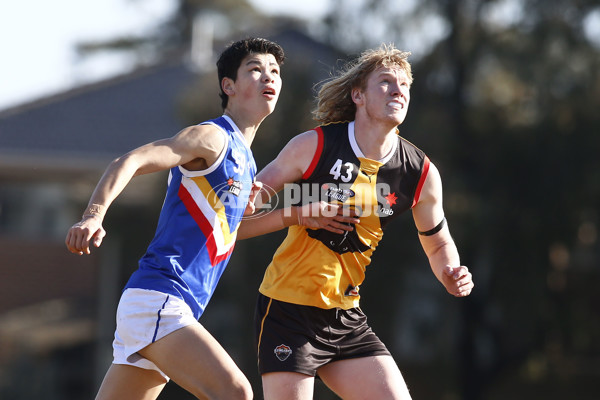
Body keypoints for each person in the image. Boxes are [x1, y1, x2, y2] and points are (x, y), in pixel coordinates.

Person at [237, 43, 475, 400]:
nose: (398, 90)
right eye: (386, 82)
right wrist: (297, 210)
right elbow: (239, 213)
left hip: (345, 315)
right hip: (288, 308)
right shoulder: (314, 145)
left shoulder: (420, 172)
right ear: (358, 95)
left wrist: (451, 271)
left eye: (405, 85)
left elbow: (438, 242)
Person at [64, 37, 285, 400]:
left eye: (274, 71)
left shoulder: (246, 161)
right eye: (255, 70)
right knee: (235, 393)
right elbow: (129, 161)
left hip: (161, 306)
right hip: (160, 299)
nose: (268, 77)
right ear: (227, 86)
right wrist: (93, 215)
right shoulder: (213, 137)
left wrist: (295, 216)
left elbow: (227, 232)